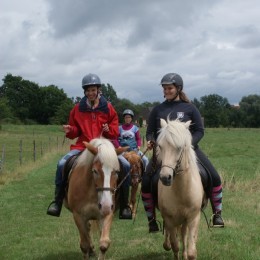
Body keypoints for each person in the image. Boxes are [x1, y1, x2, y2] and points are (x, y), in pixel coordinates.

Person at [141, 72, 225, 232]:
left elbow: (200, 131)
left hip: (189, 150)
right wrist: (151, 140)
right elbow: (150, 131)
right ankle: (152, 220)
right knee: (146, 181)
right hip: (164, 151)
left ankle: (217, 214)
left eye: (170, 88)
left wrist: (188, 145)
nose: (167, 91)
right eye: (165, 88)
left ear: (178, 89)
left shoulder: (190, 108)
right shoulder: (158, 109)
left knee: (214, 176)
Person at [46, 73, 131, 218]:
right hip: (82, 146)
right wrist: (70, 130)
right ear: (84, 92)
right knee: (61, 164)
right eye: (88, 90)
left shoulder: (109, 108)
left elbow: (115, 131)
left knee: (125, 165)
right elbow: (75, 130)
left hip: (105, 148)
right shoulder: (77, 109)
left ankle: (124, 205)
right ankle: (57, 201)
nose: (90, 93)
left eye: (93, 90)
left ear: (98, 90)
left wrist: (108, 130)